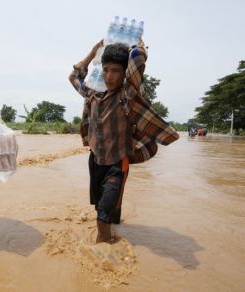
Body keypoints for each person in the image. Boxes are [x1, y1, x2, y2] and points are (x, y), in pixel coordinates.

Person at [69, 39, 179, 243]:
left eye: (116, 71)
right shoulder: (93, 94)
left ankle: (102, 252)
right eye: (105, 70)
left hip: (118, 164)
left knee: (102, 215)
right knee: (101, 205)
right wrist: (93, 52)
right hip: (95, 161)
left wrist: (137, 44)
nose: (109, 76)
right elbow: (74, 76)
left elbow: (137, 59)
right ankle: (112, 225)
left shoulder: (127, 94)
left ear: (124, 72)